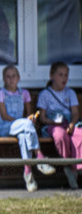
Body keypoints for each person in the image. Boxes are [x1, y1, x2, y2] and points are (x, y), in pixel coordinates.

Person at [0, 65, 55, 192]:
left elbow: (28, 114)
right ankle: (40, 157)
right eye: (8, 76)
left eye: (14, 76)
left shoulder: (24, 93)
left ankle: (28, 174)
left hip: (21, 127)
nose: (11, 79)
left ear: (19, 78)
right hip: (6, 126)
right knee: (26, 125)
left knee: (23, 137)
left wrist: (31, 119)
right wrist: (25, 122)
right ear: (4, 79)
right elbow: (4, 116)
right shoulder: (1, 94)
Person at [36, 61, 81, 190]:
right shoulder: (45, 94)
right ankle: (68, 165)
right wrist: (53, 122)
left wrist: (72, 124)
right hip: (53, 125)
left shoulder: (70, 93)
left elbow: (76, 113)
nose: (64, 78)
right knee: (60, 135)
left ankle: (77, 167)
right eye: (60, 75)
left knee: (79, 134)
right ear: (52, 76)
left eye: (66, 75)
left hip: (69, 122)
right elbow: (42, 118)